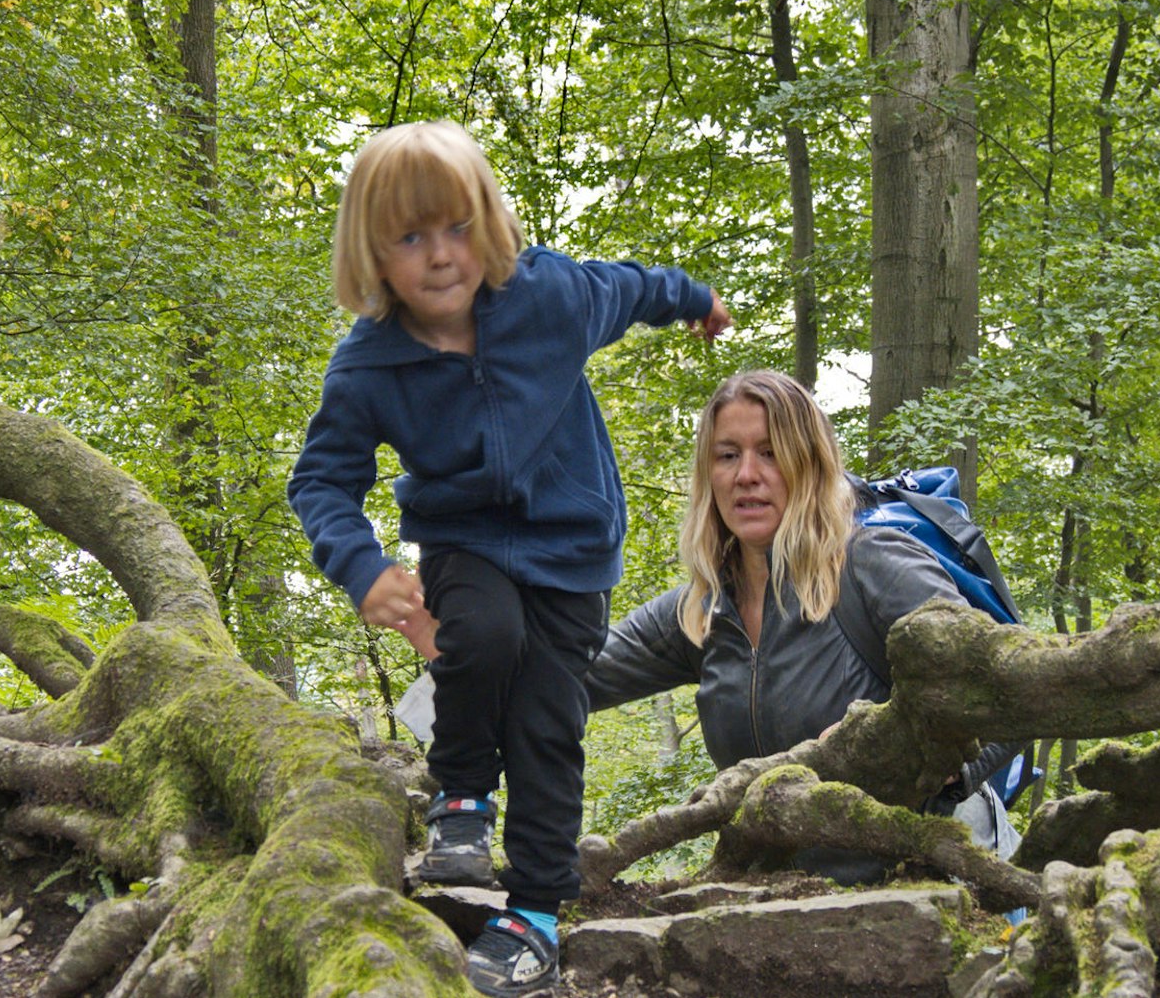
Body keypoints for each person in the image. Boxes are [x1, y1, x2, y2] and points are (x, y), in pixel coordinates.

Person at [288, 120, 730, 998]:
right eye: (409, 238)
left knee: (547, 724)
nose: (441, 256)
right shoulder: (368, 366)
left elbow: (631, 288)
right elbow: (322, 482)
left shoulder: (549, 298)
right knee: (479, 633)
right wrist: (365, 566)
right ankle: (459, 797)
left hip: (574, 545)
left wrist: (695, 299)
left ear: (490, 223)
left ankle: (533, 915)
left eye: (457, 227)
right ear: (371, 255)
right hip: (466, 540)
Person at [583, 369, 1019, 885]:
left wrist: (918, 750)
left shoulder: (871, 566)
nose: (747, 474)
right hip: (793, 903)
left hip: (940, 879)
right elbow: (574, 672)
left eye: (770, 452)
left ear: (810, 464)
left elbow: (1006, 696)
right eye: (728, 455)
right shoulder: (702, 612)